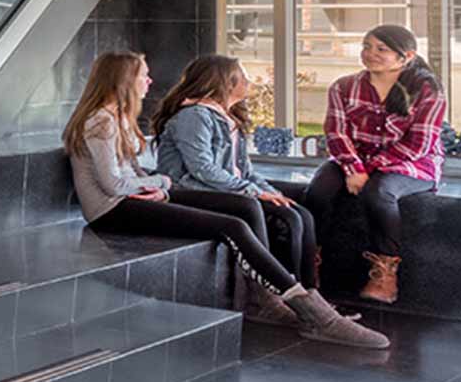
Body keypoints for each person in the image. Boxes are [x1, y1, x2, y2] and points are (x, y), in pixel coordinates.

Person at [65, 50, 383, 348]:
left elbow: (130, 173)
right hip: (111, 210)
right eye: (143, 76)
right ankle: (306, 309)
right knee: (232, 225)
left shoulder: (117, 118)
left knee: (240, 219)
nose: (149, 81)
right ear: (123, 81)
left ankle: (292, 302)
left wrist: (157, 187)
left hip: (131, 200)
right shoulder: (101, 121)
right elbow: (112, 184)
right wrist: (161, 181)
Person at [304, 24, 446, 305]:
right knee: (318, 191)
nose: (370, 54)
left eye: (381, 49)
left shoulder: (427, 91)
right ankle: (310, 264)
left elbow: (419, 144)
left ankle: (385, 274)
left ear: (405, 57)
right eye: (367, 46)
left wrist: (365, 171)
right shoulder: (343, 87)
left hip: (412, 164)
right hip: (354, 159)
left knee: (380, 193)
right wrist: (353, 166)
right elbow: (336, 132)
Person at [154, 54, 314, 292]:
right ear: (224, 83)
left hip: (222, 187)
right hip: (191, 190)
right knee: (287, 219)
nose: (249, 83)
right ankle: (276, 292)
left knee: (300, 214)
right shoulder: (194, 116)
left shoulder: (228, 120)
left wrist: (271, 192)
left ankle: (309, 294)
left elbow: (246, 172)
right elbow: (202, 169)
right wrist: (254, 193)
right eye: (243, 77)